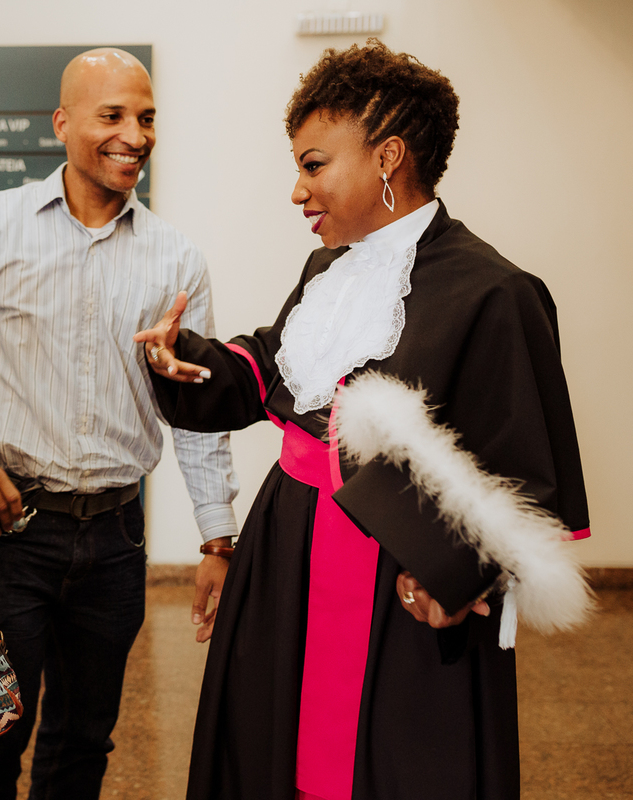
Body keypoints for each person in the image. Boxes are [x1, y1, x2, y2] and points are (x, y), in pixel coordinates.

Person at [135, 41, 590, 800]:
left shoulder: (496, 292)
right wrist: (187, 360)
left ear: (387, 157)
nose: (296, 190)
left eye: (313, 165)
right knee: (275, 752)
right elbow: (275, 367)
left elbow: (524, 480)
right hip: (288, 551)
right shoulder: (326, 268)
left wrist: (457, 577)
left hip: (398, 578)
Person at [0, 48, 240, 799]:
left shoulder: (178, 260)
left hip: (115, 537)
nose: (135, 134)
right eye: (112, 115)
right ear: (62, 123)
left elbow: (198, 409)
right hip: (1, 531)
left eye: (146, 118)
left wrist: (216, 536)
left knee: (85, 743)